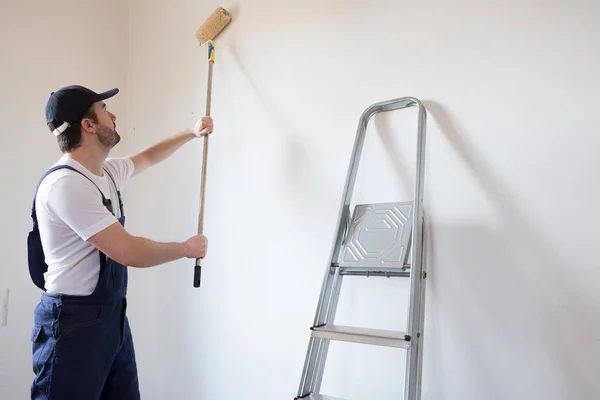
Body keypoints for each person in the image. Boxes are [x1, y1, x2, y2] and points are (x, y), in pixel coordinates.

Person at [27, 85, 213, 399]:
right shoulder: (67, 184)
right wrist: (185, 249)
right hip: (72, 324)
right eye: (103, 110)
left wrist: (191, 133)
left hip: (111, 317)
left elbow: (148, 157)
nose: (113, 115)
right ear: (88, 125)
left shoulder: (106, 172)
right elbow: (128, 251)